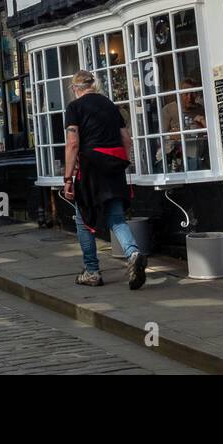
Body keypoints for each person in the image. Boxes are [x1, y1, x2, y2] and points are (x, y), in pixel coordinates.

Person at [63, 70, 147, 289]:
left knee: (84, 221)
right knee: (116, 217)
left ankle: (91, 271)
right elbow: (126, 140)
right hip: (114, 166)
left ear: (75, 89)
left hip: (90, 167)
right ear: (95, 85)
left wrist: (67, 178)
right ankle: (133, 253)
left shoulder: (75, 107)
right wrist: (122, 162)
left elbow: (72, 143)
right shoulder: (111, 106)